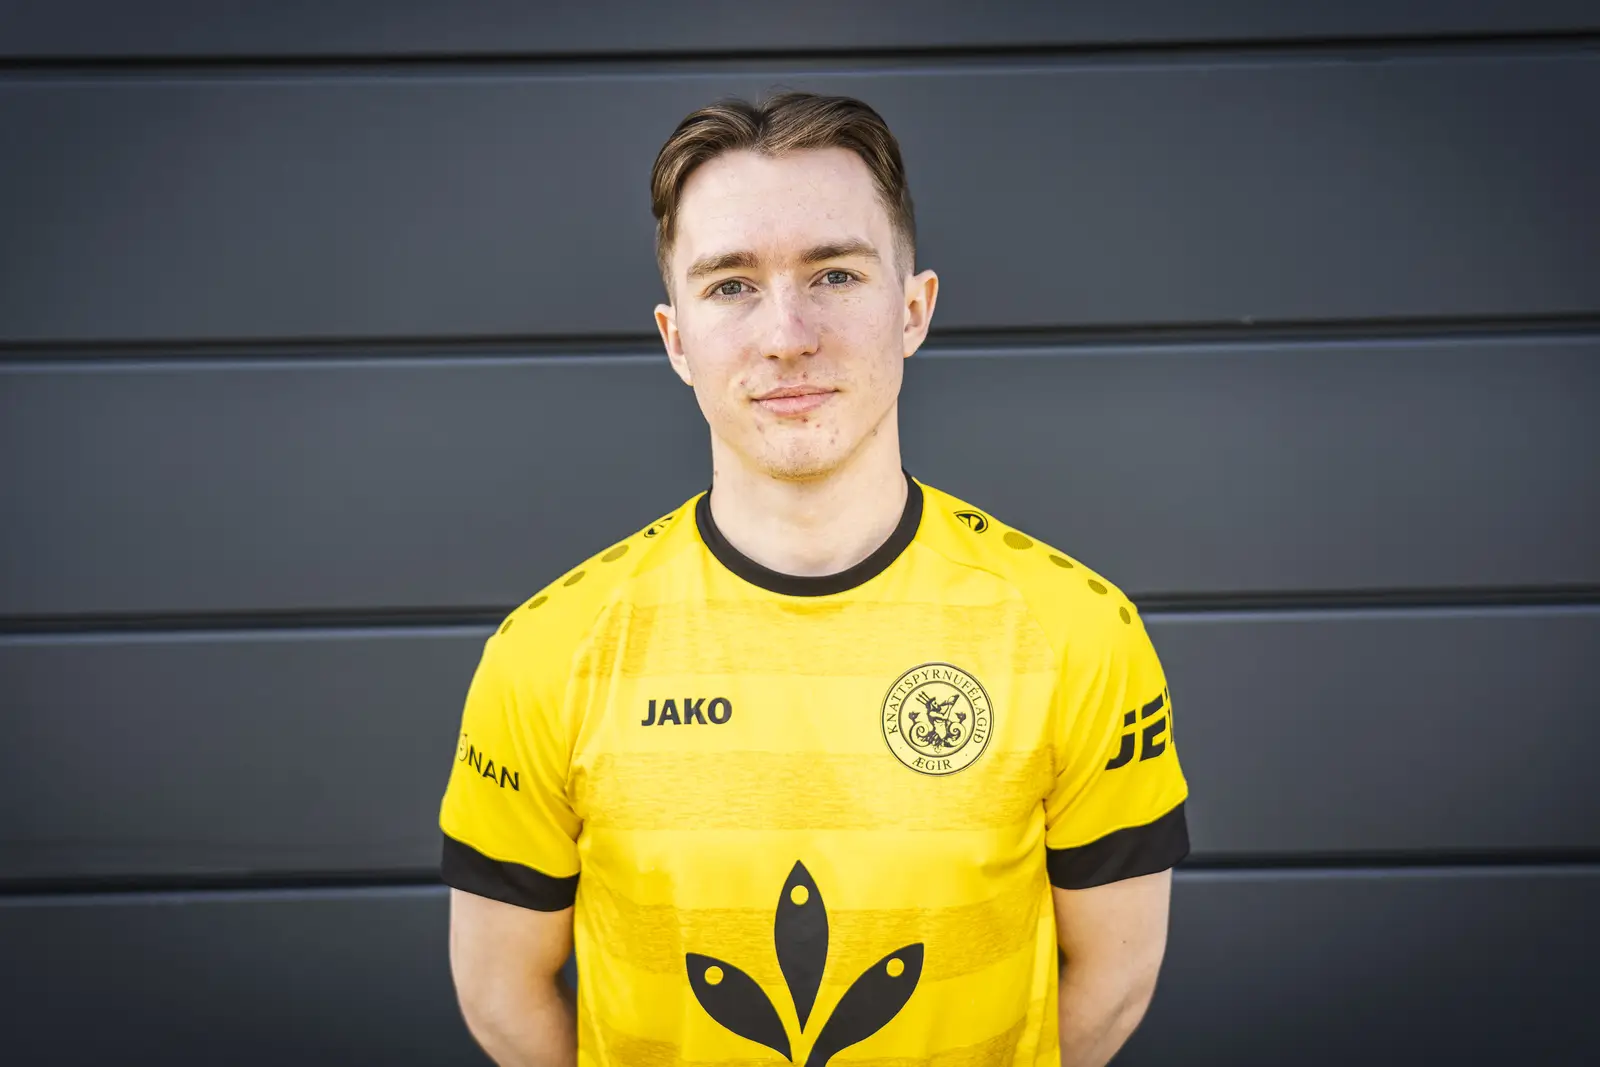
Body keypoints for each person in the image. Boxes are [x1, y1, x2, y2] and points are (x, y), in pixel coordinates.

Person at [439, 90, 1189, 1067]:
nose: (786, 334)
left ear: (912, 309)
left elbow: (1113, 978)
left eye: (834, 274)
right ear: (675, 338)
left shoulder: (1078, 632)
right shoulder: (546, 653)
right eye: (730, 285)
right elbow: (500, 992)